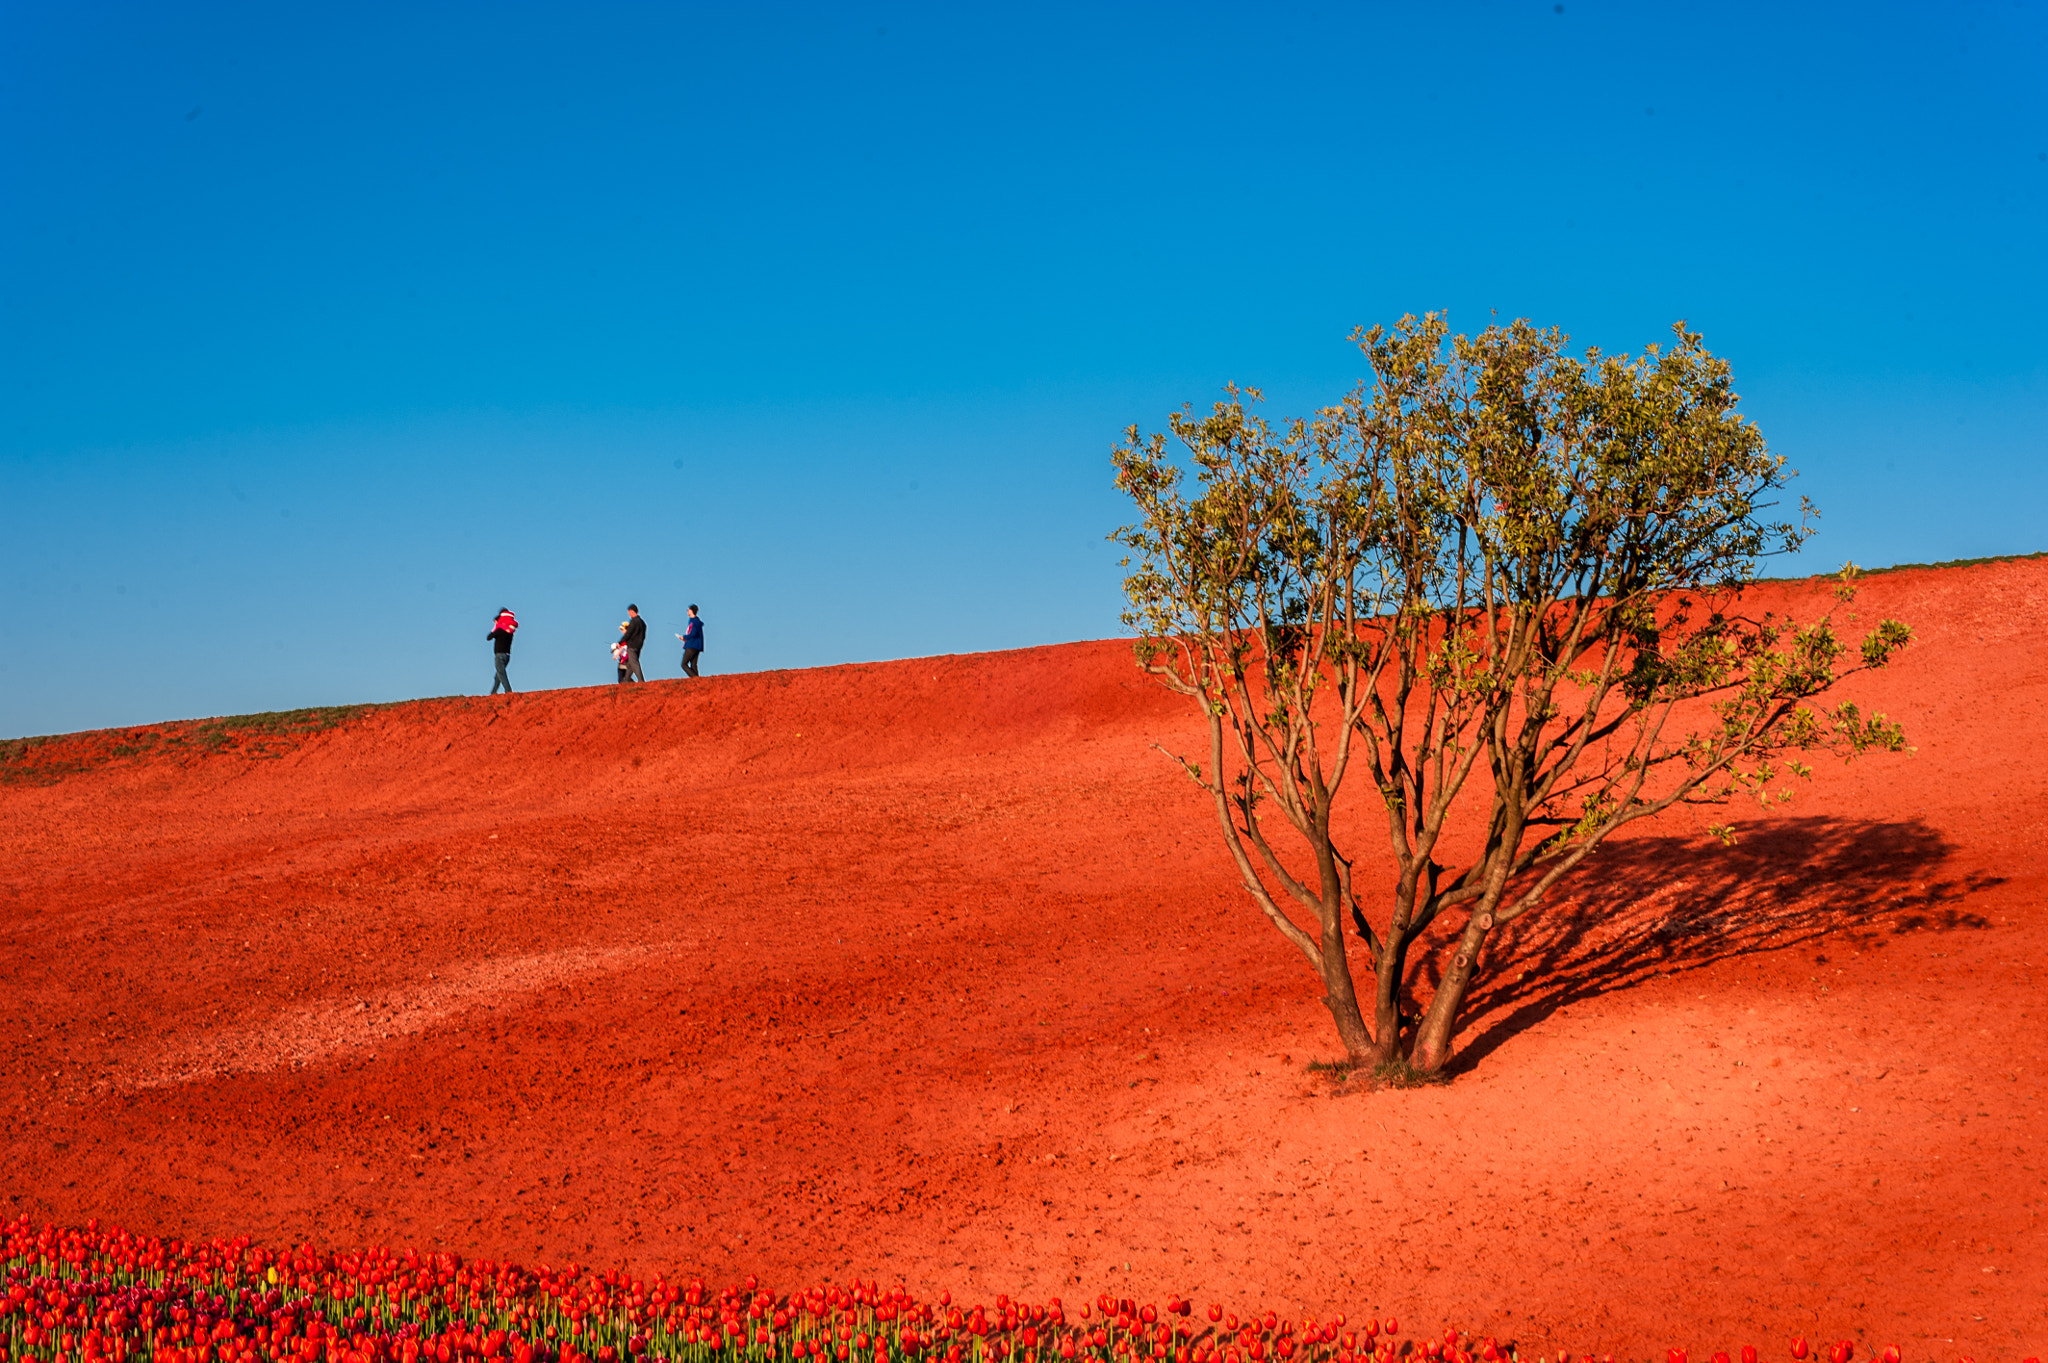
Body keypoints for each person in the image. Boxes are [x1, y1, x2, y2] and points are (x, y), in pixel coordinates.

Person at [487, 608, 518, 694]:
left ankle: (508, 691)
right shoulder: (510, 631)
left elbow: (488, 637)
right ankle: (493, 693)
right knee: (498, 675)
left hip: (499, 655)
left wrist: (495, 627)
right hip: (507, 656)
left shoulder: (500, 630)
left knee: (501, 674)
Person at [675, 604, 704, 677]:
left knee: (684, 664)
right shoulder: (696, 621)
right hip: (697, 646)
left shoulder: (694, 622)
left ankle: (695, 678)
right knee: (693, 665)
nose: (687, 611)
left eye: (688, 610)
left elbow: (693, 634)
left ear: (691, 611)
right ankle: (698, 683)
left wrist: (684, 637)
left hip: (691, 645)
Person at [622, 604, 648, 682]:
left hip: (632, 645)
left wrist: (621, 642)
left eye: (629, 612)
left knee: (634, 663)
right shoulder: (642, 622)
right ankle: (626, 680)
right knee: (630, 664)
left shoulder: (633, 621)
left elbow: (628, 633)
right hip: (639, 645)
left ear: (632, 611)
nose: (629, 614)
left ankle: (641, 680)